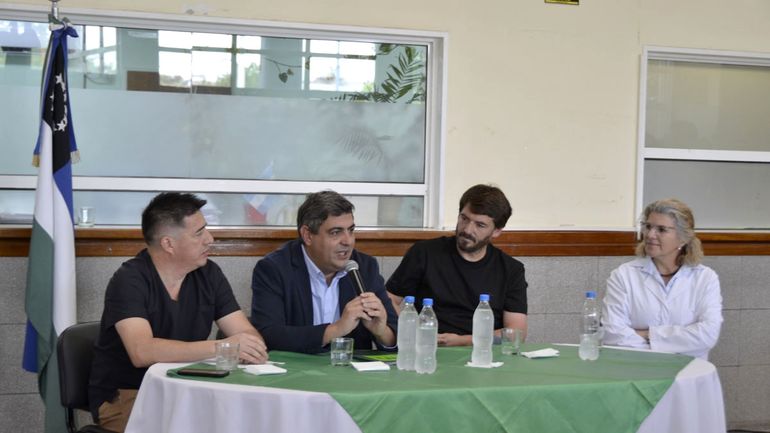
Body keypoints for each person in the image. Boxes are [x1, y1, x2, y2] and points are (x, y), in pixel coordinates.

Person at [88, 193, 268, 432]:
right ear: (168, 244)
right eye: (199, 233)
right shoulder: (129, 280)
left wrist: (249, 345)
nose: (210, 239)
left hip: (190, 389)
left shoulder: (209, 274)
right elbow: (142, 351)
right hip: (132, 395)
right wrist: (223, 347)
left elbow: (244, 332)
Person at [251, 190, 398, 354]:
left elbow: (397, 337)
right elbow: (269, 335)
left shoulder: (365, 267)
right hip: (295, 372)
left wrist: (381, 332)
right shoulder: (274, 269)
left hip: (351, 374)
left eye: (351, 230)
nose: (347, 241)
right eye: (335, 232)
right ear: (307, 235)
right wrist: (335, 330)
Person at [386, 184, 528, 346]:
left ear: (496, 231)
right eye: (464, 218)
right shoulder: (424, 253)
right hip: (428, 348)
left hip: (483, 355)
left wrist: (461, 341)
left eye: (480, 225)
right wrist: (414, 329)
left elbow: (517, 333)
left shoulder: (511, 269)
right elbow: (388, 299)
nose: (467, 229)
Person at [602, 198, 723, 360]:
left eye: (661, 229)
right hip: (636, 369)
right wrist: (680, 342)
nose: (650, 235)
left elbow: (707, 335)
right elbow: (612, 335)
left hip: (687, 373)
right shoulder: (623, 275)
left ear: (683, 238)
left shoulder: (705, 278)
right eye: (648, 226)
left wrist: (647, 334)